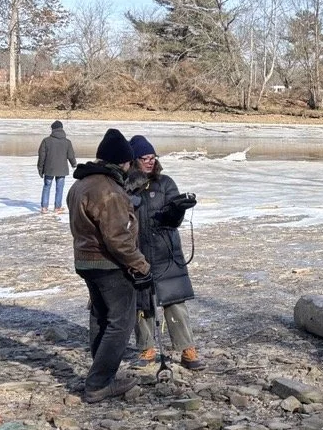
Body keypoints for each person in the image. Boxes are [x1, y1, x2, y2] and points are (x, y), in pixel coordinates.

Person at [67, 128, 152, 403]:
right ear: (122, 161)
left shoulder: (81, 184)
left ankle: (100, 376)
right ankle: (98, 384)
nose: (131, 167)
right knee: (120, 322)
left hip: (85, 261)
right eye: (128, 162)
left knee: (101, 317)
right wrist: (140, 264)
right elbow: (118, 238)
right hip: (108, 264)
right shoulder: (109, 190)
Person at [126, 135, 203, 371]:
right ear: (133, 160)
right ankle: (146, 348)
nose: (150, 162)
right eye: (144, 158)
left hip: (166, 250)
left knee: (175, 301)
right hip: (138, 250)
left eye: (152, 157)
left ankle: (187, 349)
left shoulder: (166, 183)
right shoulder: (125, 185)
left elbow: (173, 220)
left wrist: (177, 210)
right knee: (142, 303)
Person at [37, 120, 77, 215]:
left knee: (47, 187)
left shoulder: (46, 141)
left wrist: (40, 168)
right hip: (62, 169)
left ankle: (44, 207)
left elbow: (41, 156)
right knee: (60, 188)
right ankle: (57, 207)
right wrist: (74, 164)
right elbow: (71, 155)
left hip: (49, 169)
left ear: (53, 129)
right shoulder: (67, 142)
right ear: (62, 129)